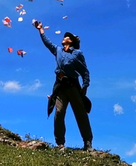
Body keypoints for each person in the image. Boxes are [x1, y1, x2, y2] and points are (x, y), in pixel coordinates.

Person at [34, 21, 93, 151]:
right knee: (59, 113)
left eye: (67, 36)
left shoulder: (77, 53)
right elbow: (47, 43)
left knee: (81, 114)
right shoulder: (58, 50)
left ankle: (87, 143)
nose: (64, 37)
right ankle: (60, 143)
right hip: (60, 87)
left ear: (71, 41)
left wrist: (85, 86)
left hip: (73, 87)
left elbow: (84, 72)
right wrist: (40, 29)